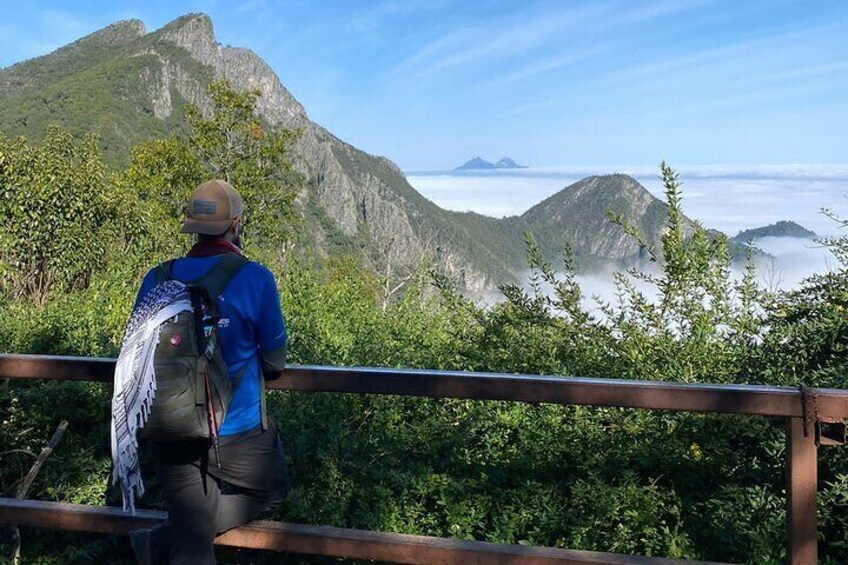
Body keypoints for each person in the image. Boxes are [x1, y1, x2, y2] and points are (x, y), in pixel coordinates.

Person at [129, 179, 290, 565]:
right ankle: (168, 538)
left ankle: (173, 536)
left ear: (192, 227)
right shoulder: (255, 278)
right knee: (271, 489)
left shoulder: (157, 278)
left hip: (171, 428)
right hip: (238, 435)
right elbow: (275, 363)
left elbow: (137, 351)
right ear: (235, 225)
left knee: (191, 537)